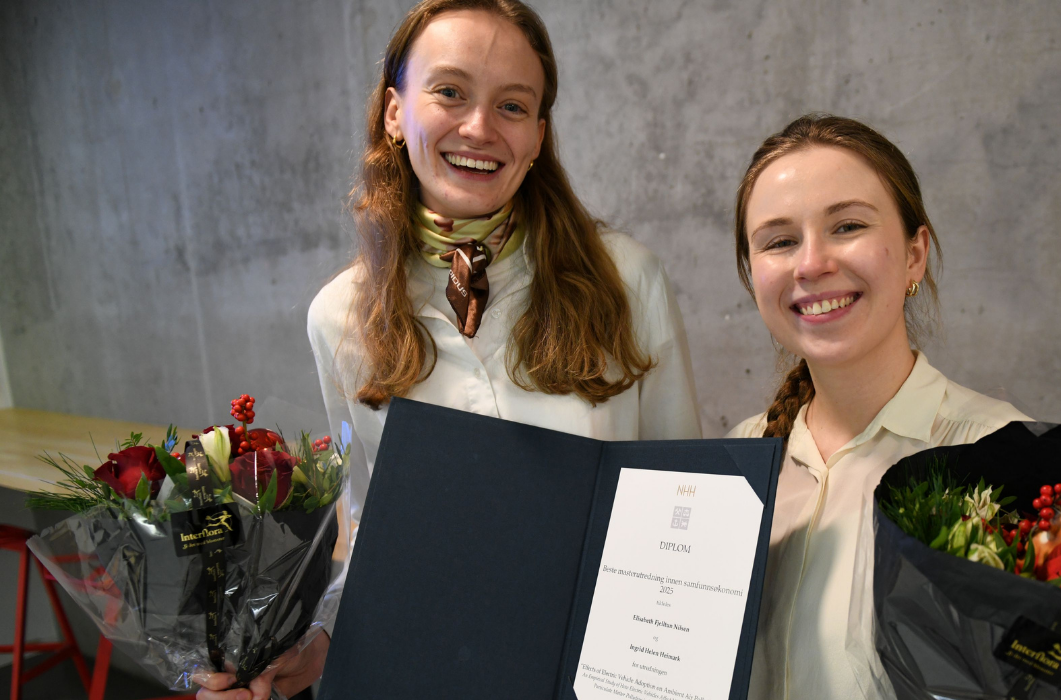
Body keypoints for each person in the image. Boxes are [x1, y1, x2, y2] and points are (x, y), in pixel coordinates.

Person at [199, 1, 702, 698]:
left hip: (604, 673)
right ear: (394, 112)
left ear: (538, 135)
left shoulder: (626, 279)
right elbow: (372, 528)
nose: (479, 128)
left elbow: (687, 505)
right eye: (450, 92)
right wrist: (317, 641)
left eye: (513, 105)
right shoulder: (339, 317)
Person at [724, 114, 1061, 700]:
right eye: (779, 241)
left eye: (847, 226)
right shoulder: (734, 464)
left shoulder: (1018, 473)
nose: (811, 263)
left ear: (914, 255)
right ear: (753, 276)